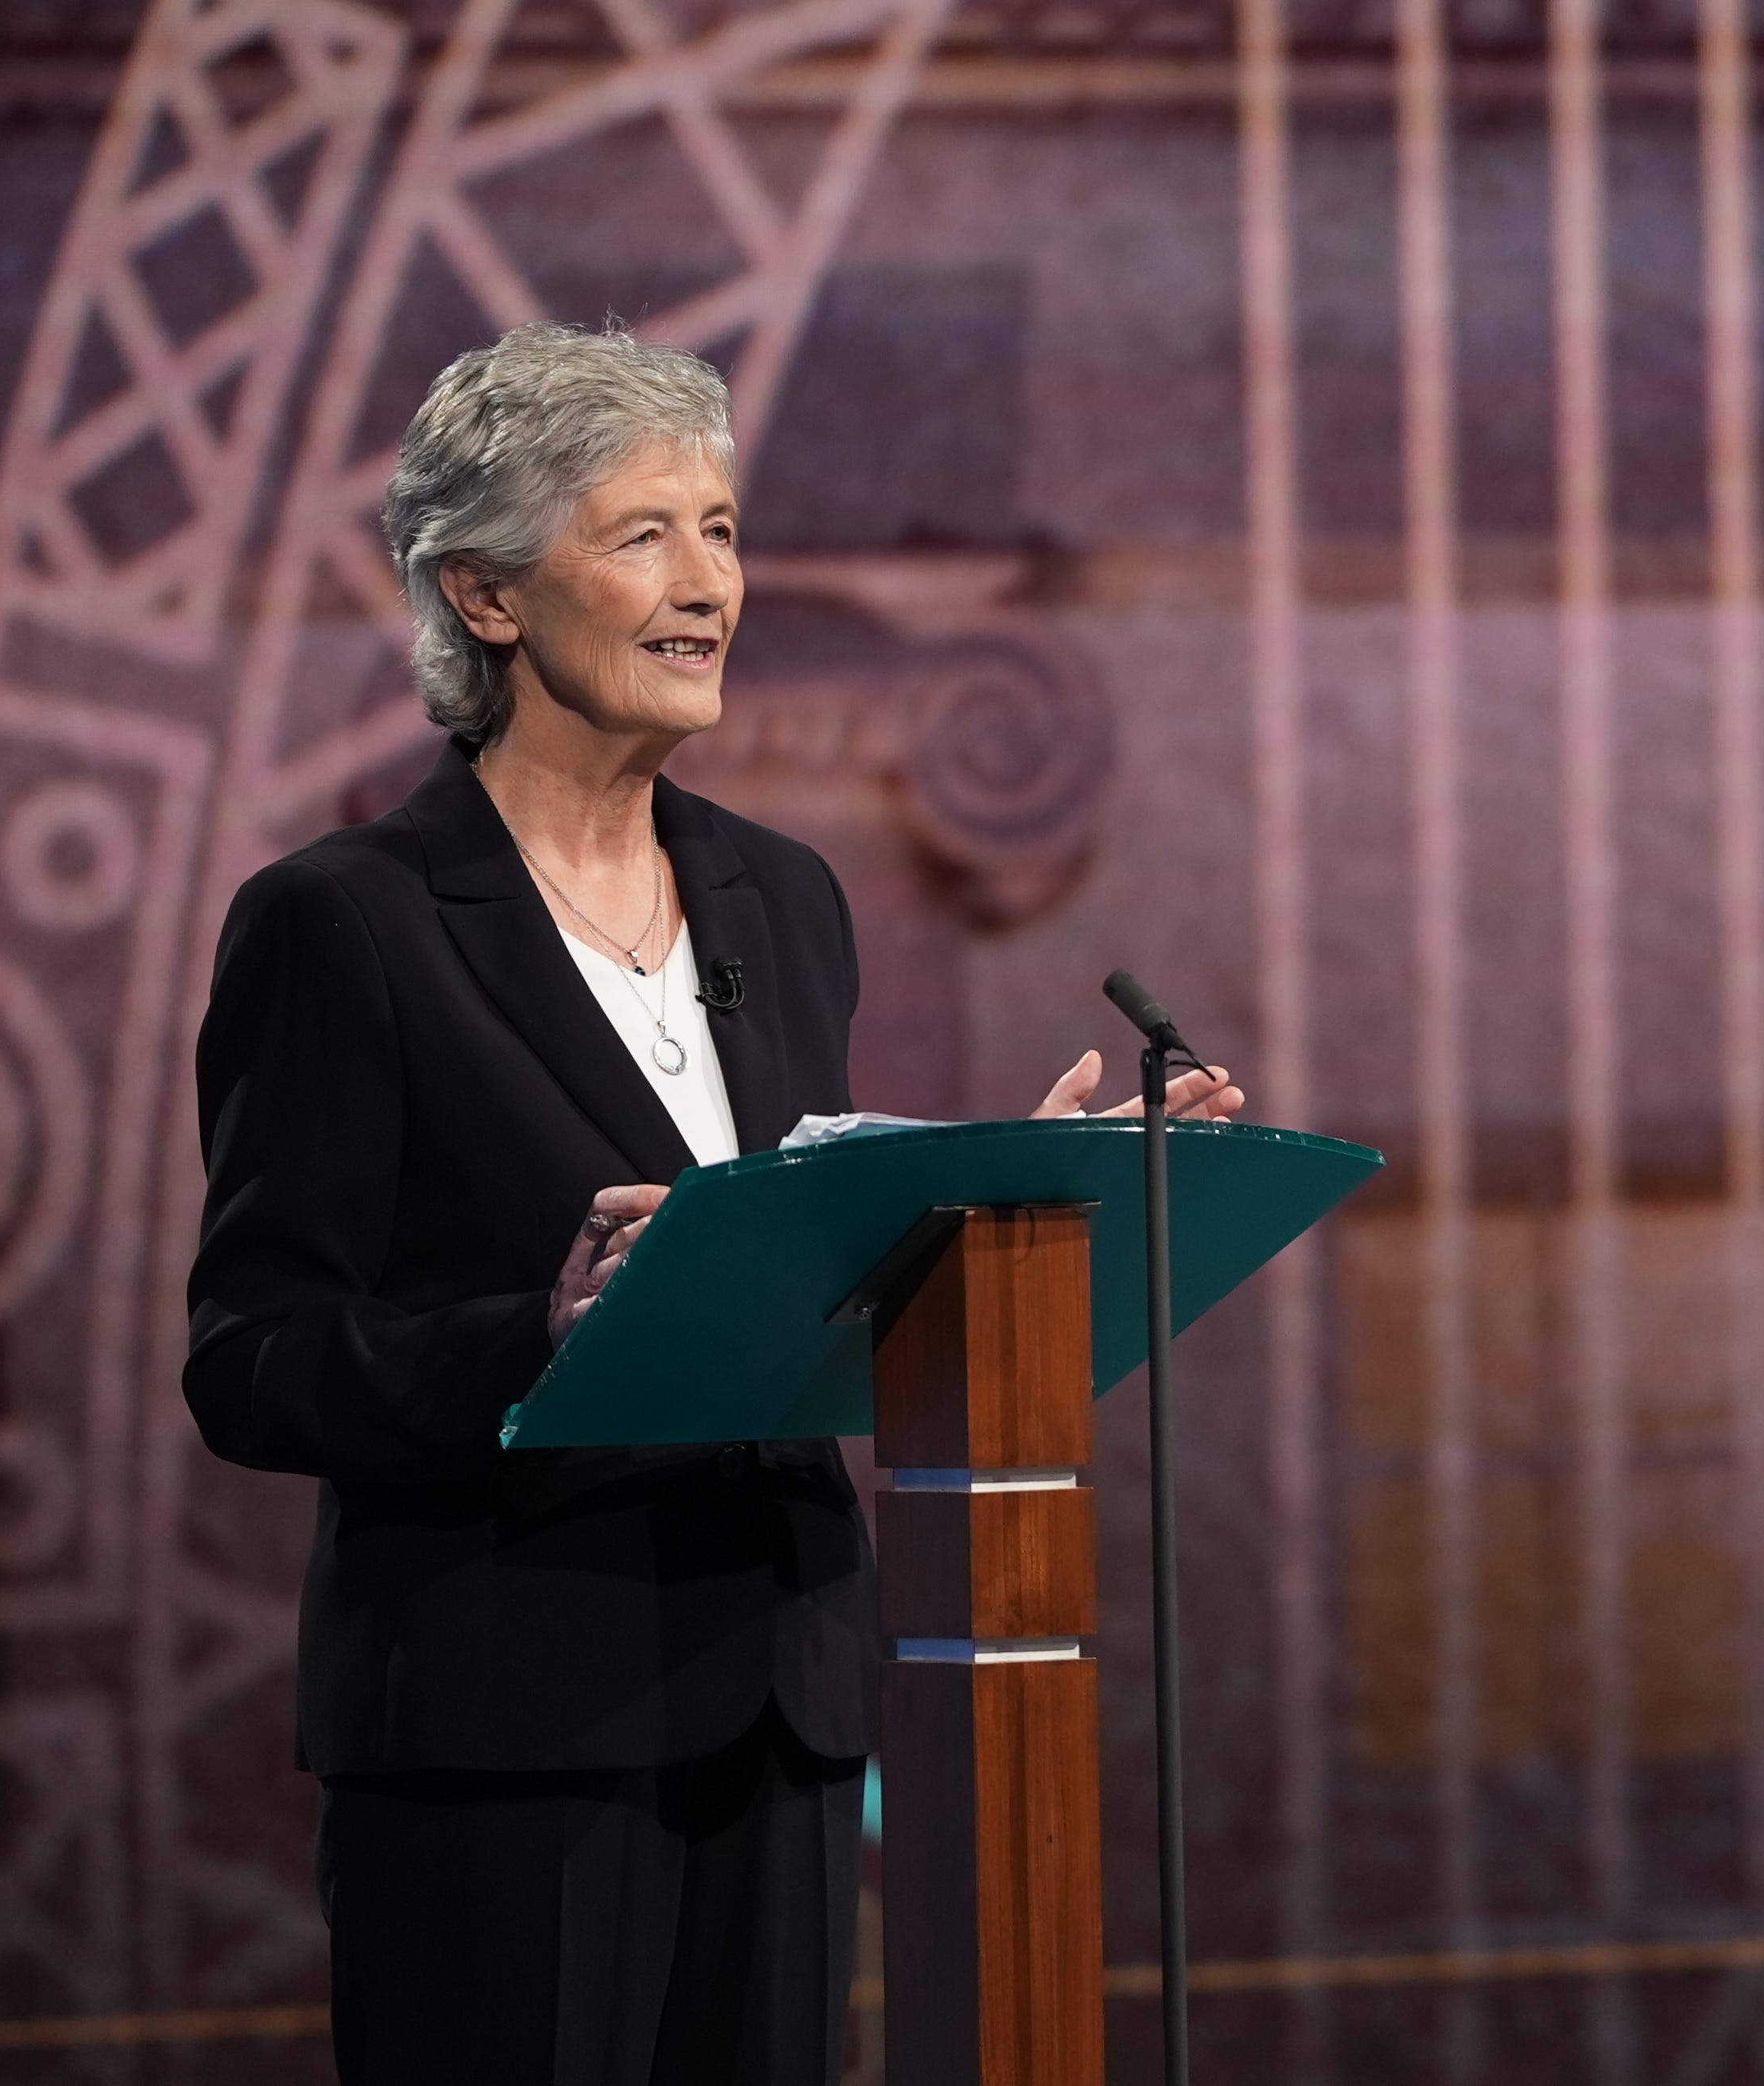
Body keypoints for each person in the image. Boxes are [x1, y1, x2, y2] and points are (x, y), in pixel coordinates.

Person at [184, 321, 1238, 2084]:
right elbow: (254, 1355)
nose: (709, 586)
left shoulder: (784, 895)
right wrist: (539, 1338)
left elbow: (789, 1276)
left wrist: (995, 1196)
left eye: (727, 529)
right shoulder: (343, 923)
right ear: (487, 593)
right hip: (506, 1731)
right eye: (645, 534)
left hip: (782, 1705)